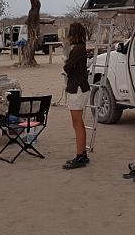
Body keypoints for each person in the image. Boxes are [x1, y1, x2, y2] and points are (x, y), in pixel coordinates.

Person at [62, 22, 90, 169]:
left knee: (77, 123)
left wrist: (66, 58)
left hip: (77, 88)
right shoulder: (81, 48)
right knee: (79, 123)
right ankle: (83, 154)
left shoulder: (77, 49)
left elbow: (67, 67)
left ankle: (80, 156)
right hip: (81, 87)